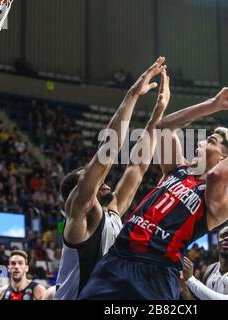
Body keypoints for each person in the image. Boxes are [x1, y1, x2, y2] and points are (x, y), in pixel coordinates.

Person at [79, 80, 228, 300]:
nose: (199, 143)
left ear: (224, 157)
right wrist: (213, 104)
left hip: (156, 274)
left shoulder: (222, 200)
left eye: (210, 141)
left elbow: (216, 176)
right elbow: (163, 127)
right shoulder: (177, 170)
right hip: (117, 259)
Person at [54, 57, 170, 300]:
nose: (105, 182)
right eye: (92, 180)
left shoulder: (112, 211)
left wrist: (157, 115)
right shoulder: (82, 217)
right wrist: (132, 95)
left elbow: (137, 168)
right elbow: (108, 151)